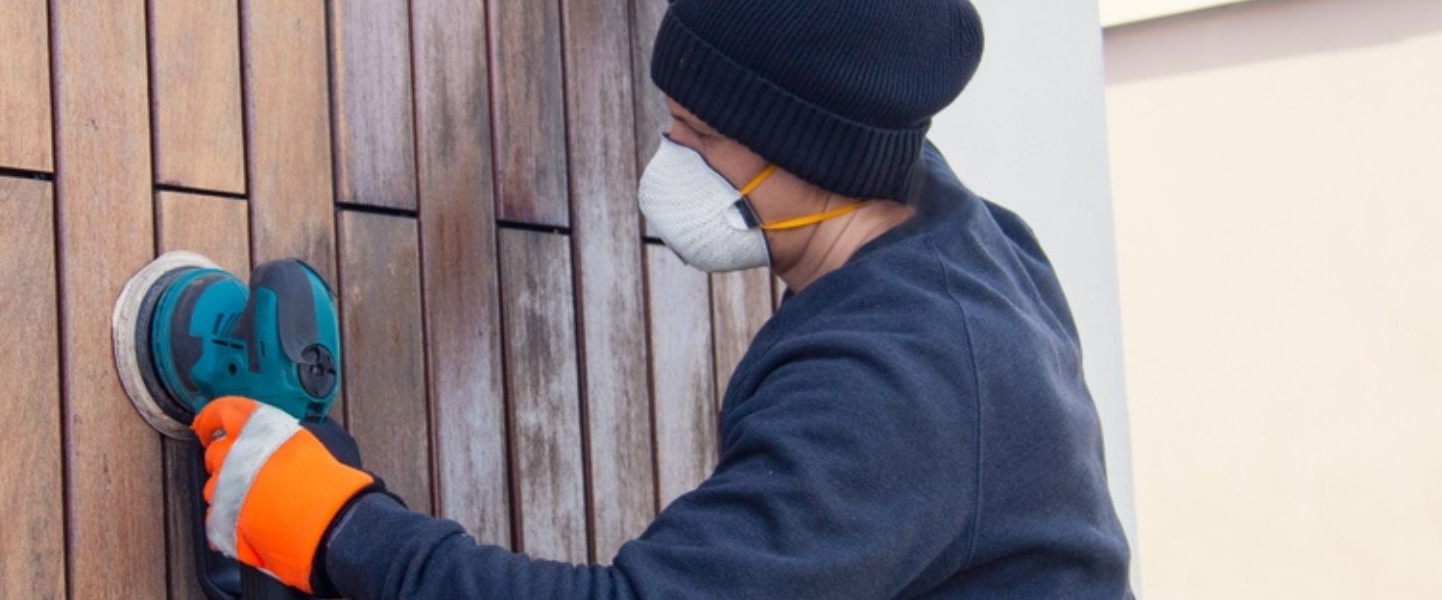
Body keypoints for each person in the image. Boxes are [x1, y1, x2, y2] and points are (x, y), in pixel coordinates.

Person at [192, 0, 1134, 597]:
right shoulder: (954, 228)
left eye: (700, 134)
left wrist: (343, 531)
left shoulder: (899, 385)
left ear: (807, 154)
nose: (666, 159)